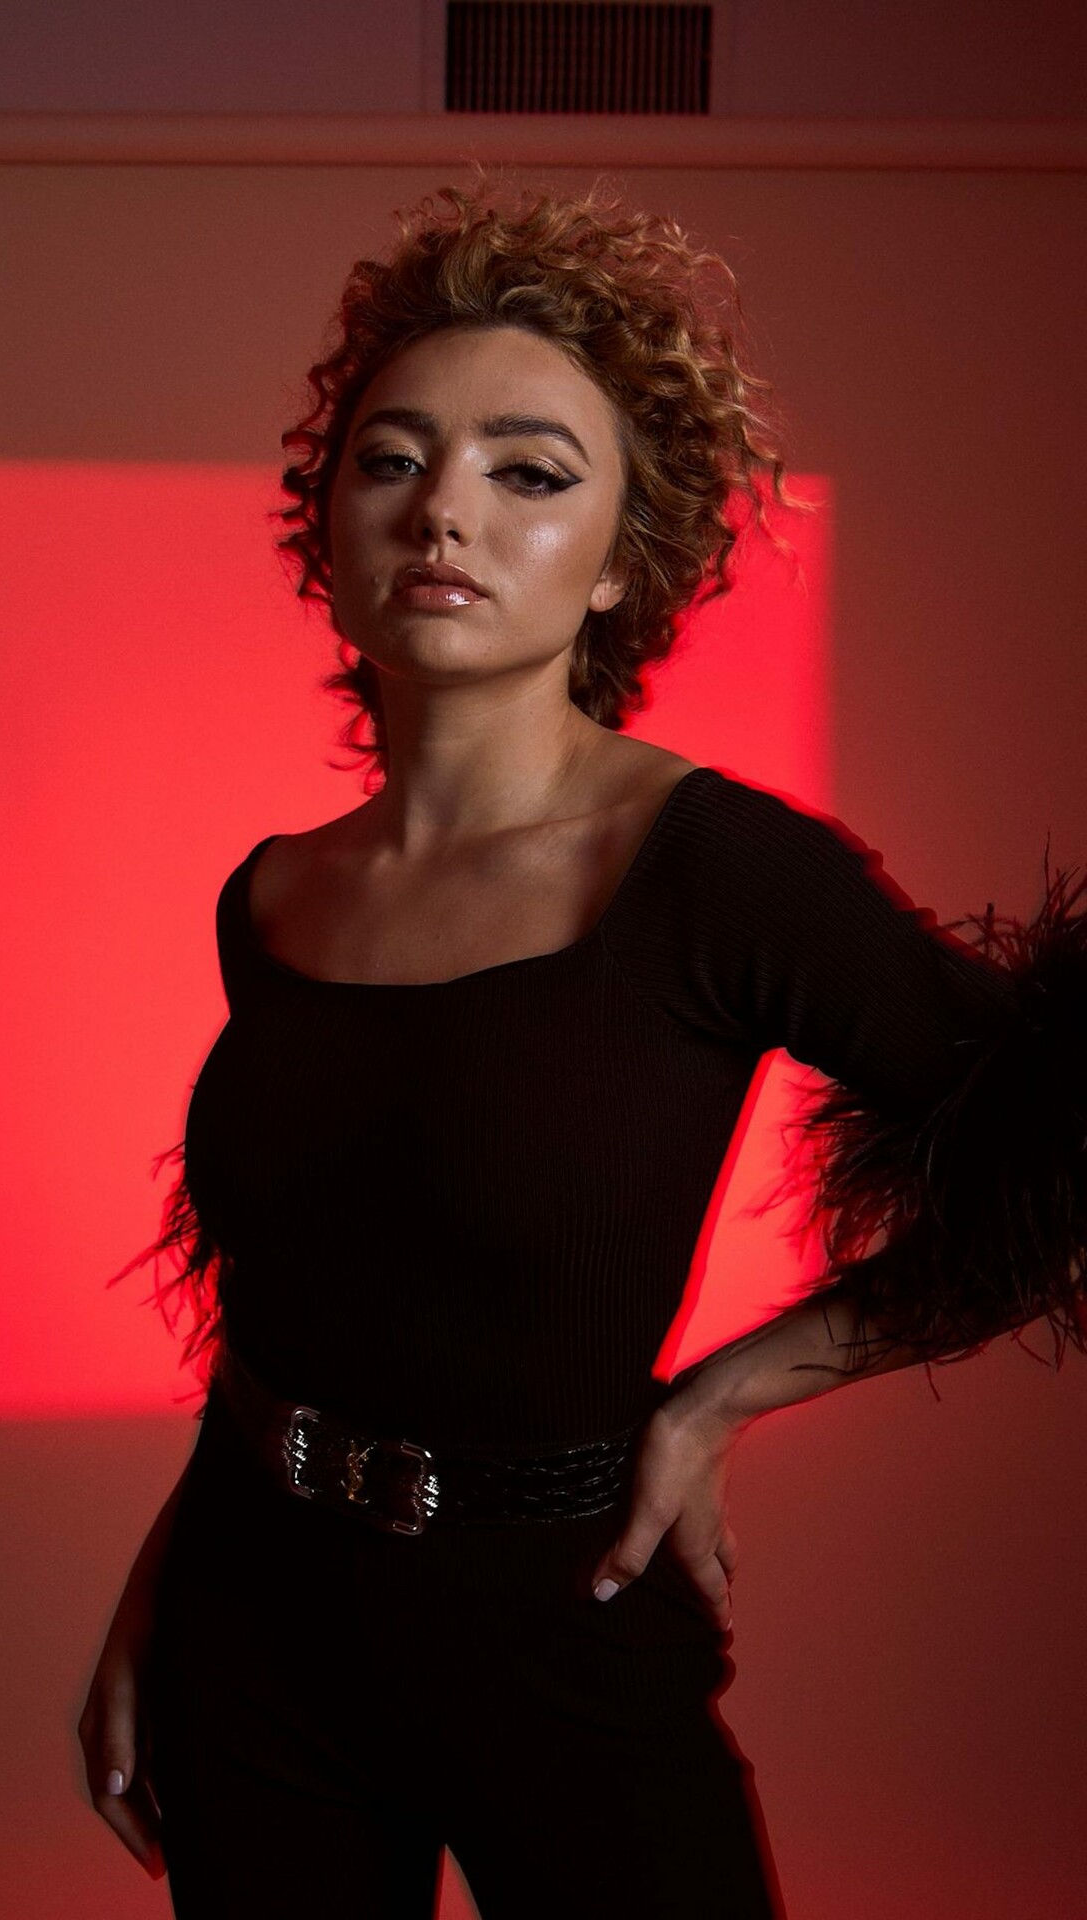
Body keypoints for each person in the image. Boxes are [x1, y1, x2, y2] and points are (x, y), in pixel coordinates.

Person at [78, 171, 1087, 1918]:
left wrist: (725, 1394)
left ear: (625, 562)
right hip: (250, 1639)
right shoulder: (275, 894)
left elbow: (1057, 1155)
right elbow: (294, 1307)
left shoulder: (721, 871)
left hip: (563, 1624)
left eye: (529, 473)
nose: (445, 510)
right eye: (394, 460)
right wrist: (163, 1585)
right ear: (331, 529)